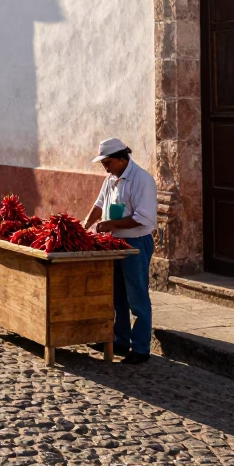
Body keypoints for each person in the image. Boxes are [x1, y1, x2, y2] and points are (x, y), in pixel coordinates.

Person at [82, 138, 158, 364]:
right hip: (113, 245)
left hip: (135, 244)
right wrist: (85, 226)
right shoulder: (110, 178)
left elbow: (142, 218)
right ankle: (120, 339)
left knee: (137, 296)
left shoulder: (142, 179)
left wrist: (111, 225)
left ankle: (141, 348)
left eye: (108, 162)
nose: (105, 167)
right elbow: (99, 205)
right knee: (117, 295)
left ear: (122, 158)